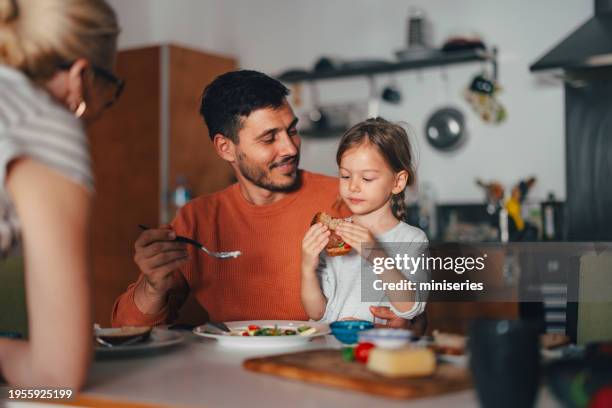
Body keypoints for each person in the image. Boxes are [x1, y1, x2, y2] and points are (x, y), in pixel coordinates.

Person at [112, 70, 427, 333]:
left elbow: (410, 304)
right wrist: (152, 286)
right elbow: (126, 329)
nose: (290, 147)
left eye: (292, 131)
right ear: (226, 148)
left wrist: (409, 323)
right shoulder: (197, 220)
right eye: (269, 138)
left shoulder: (349, 199)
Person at [0, 0, 121, 387]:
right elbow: (55, 381)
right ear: (80, 76)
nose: (100, 109)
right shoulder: (44, 122)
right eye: (108, 89)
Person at [301, 118, 429, 323]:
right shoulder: (335, 238)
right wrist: (307, 267)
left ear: (398, 182)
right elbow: (316, 313)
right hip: (332, 348)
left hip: (380, 351)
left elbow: (410, 308)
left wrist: (376, 255)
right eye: (345, 176)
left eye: (367, 178)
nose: (353, 186)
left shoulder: (412, 239)